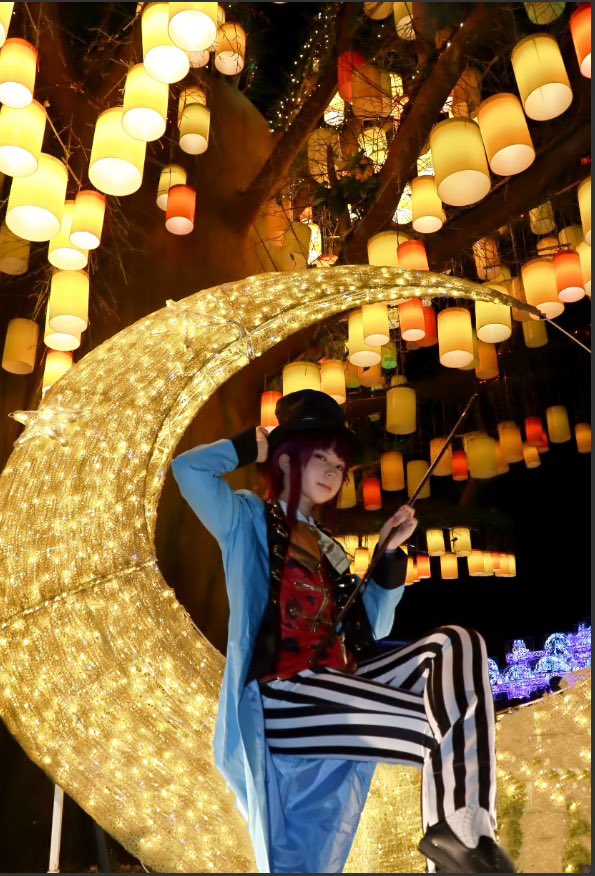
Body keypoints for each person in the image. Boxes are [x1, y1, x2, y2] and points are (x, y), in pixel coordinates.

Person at [171, 389, 515, 875]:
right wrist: (249, 446)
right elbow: (188, 471)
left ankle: (463, 835)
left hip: (339, 681)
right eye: (322, 458)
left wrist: (388, 556)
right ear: (287, 459)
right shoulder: (247, 518)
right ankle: (455, 848)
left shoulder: (328, 546)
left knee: (457, 643)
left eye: (340, 465)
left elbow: (373, 627)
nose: (334, 473)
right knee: (440, 732)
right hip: (284, 696)